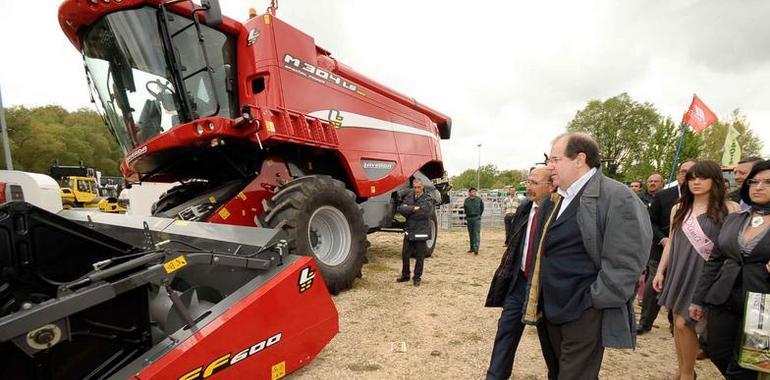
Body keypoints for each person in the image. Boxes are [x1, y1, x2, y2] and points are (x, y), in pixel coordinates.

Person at [523, 132, 652, 379]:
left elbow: (627, 262)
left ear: (580, 159)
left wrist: (594, 302)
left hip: (584, 312)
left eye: (555, 159)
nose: (549, 167)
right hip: (551, 309)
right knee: (557, 373)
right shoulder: (557, 199)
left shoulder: (617, 197)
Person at [652, 160, 740, 380]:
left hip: (705, 274)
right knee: (677, 324)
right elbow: (671, 242)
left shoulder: (730, 209)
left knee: (686, 323)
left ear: (715, 180)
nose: (696, 182)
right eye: (692, 178)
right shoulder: (678, 208)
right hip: (679, 270)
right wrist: (661, 270)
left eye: (702, 177)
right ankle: (682, 370)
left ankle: (688, 373)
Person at [691, 159, 770, 379]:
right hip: (723, 299)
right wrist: (698, 299)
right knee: (717, 351)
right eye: (754, 182)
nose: (759, 187)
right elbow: (714, 261)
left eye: (768, 182)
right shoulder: (735, 219)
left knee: (750, 363)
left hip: (763, 308)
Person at [485, 167, 558, 380]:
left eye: (535, 183)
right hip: (519, 284)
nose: (529, 187)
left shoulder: (557, 213)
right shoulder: (525, 208)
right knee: (505, 333)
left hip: (545, 290)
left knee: (551, 344)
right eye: (529, 181)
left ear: (551, 185)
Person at [637, 161, 696, 335]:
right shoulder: (664, 196)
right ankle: (645, 322)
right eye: (683, 171)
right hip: (661, 249)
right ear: (678, 174)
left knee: (680, 286)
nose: (686, 175)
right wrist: (662, 238)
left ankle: (675, 323)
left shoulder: (702, 199)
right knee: (654, 283)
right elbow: (651, 220)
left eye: (691, 172)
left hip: (688, 255)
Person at [396, 178, 434, 287]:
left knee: (419, 257)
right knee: (405, 255)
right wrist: (413, 209)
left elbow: (425, 213)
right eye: (415, 187)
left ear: (422, 187)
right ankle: (405, 275)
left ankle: (417, 277)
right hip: (409, 232)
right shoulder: (409, 197)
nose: (417, 190)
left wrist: (408, 210)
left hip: (420, 234)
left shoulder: (427, 199)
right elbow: (400, 209)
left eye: (419, 187)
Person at [464, 187, 484, 254]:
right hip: (469, 218)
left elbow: (482, 208)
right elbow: (465, 209)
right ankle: (471, 248)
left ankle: (476, 249)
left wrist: (478, 215)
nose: (474, 193)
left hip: (476, 218)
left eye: (475, 192)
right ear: (469, 193)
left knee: (476, 233)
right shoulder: (466, 200)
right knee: (471, 233)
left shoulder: (479, 200)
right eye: (472, 191)